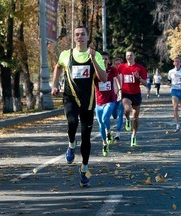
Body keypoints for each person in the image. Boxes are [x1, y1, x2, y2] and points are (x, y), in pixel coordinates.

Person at [51, 26, 107, 187]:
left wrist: (94, 60)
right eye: (77, 34)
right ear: (74, 37)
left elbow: (103, 78)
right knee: (72, 122)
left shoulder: (95, 55)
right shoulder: (66, 54)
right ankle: (70, 145)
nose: (79, 37)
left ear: (88, 36)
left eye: (83, 34)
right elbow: (58, 66)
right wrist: (54, 85)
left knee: (86, 138)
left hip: (88, 102)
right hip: (70, 98)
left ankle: (84, 169)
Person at [117, 50, 148, 146]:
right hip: (126, 93)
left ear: (134, 56)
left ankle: (133, 136)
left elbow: (145, 83)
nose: (129, 57)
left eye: (131, 55)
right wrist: (118, 89)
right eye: (127, 56)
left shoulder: (140, 68)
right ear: (125, 57)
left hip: (136, 94)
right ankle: (127, 119)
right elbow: (115, 77)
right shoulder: (121, 67)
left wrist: (138, 78)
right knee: (126, 109)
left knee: (135, 118)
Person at [95, 52, 121, 157]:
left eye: (105, 59)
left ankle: (108, 131)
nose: (104, 61)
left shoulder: (112, 70)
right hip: (98, 102)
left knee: (105, 117)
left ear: (108, 60)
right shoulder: (95, 71)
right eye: (102, 59)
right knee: (101, 123)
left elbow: (118, 79)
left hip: (110, 100)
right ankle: (104, 142)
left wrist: (119, 90)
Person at [111, 57, 124, 141]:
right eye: (116, 64)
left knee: (120, 114)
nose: (117, 65)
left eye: (119, 64)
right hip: (113, 95)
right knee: (114, 114)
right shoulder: (111, 73)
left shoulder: (123, 74)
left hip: (122, 95)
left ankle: (117, 133)